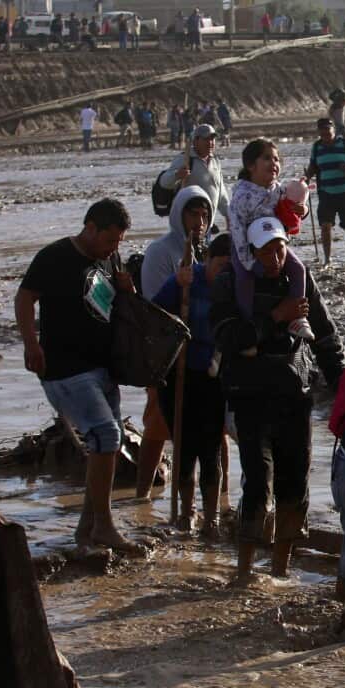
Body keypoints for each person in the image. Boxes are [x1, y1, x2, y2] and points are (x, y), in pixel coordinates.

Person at [211, 217, 343, 583]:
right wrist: (275, 317)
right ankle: (243, 570)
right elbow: (226, 337)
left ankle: (280, 570)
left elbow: (325, 336)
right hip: (249, 396)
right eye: (267, 249)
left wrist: (344, 386)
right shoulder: (229, 284)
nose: (276, 255)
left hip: (294, 392)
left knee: (295, 481)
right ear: (251, 252)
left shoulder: (299, 280)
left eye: (280, 246)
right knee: (257, 479)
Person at [15, 199, 143, 554]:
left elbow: (118, 309)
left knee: (109, 443)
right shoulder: (54, 256)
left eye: (118, 241)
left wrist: (126, 289)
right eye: (109, 240)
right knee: (105, 434)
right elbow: (25, 298)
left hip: (102, 369)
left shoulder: (109, 260)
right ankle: (104, 525)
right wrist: (30, 344)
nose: (113, 247)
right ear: (90, 228)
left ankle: (87, 529)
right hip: (63, 368)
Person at [135, 186, 213, 498]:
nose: (200, 221)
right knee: (158, 424)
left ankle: (215, 498)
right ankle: (142, 495)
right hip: (165, 353)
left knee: (212, 429)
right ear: (179, 215)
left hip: (202, 353)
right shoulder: (161, 251)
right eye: (193, 214)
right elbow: (153, 307)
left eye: (204, 214)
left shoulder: (207, 251)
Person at [150, 232, 230, 536]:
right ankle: (186, 513)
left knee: (210, 448)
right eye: (219, 265)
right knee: (183, 447)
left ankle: (212, 519)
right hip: (178, 377)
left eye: (229, 267)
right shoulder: (184, 280)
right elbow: (155, 316)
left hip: (214, 377)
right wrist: (178, 288)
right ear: (207, 260)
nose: (224, 272)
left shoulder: (233, 287)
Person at [228, 138, 313, 341]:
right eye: (267, 158)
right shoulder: (241, 195)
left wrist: (303, 210)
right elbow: (237, 230)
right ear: (250, 166)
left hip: (275, 244)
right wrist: (250, 262)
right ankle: (247, 321)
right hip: (246, 246)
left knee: (299, 269)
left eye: (276, 159)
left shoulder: (278, 189)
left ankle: (298, 316)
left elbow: (296, 205)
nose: (274, 163)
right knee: (244, 279)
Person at [305, 118, 345, 266]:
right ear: (319, 131)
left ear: (333, 129)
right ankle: (327, 258)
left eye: (328, 129)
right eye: (322, 129)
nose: (325, 132)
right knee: (325, 225)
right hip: (326, 192)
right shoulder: (317, 147)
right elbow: (313, 166)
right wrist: (306, 177)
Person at [160, 124, 231, 226]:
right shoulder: (186, 160)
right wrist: (177, 175)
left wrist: (228, 214)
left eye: (212, 139)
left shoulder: (215, 161)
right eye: (206, 139)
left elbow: (220, 191)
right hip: (187, 224)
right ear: (196, 141)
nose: (210, 143)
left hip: (207, 223)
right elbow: (164, 182)